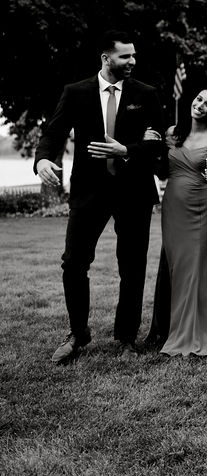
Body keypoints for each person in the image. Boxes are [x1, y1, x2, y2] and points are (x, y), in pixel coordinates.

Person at [35, 30, 165, 364]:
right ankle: (77, 333)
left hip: (133, 192)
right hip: (88, 192)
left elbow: (156, 145)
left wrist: (126, 150)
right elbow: (54, 131)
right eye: (125, 56)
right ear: (106, 59)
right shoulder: (76, 92)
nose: (132, 62)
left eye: (134, 55)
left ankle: (125, 337)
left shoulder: (146, 94)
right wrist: (44, 158)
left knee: (132, 267)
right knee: (73, 263)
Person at [155, 87, 207, 357]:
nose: (200, 105)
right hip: (174, 208)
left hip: (204, 208)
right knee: (180, 267)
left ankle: (197, 332)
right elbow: (161, 170)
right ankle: (178, 327)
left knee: (198, 266)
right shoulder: (171, 133)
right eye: (198, 99)